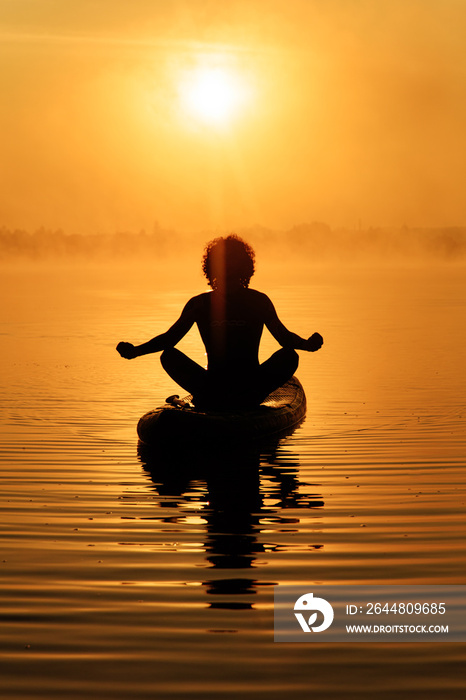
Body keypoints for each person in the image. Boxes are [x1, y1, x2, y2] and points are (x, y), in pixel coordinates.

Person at [116, 234, 323, 409]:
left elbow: (284, 339)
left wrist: (307, 344)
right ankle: (221, 397)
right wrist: (136, 351)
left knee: (289, 355)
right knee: (168, 355)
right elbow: (168, 340)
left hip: (247, 386)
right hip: (216, 386)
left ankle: (231, 397)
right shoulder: (202, 304)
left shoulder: (256, 301)